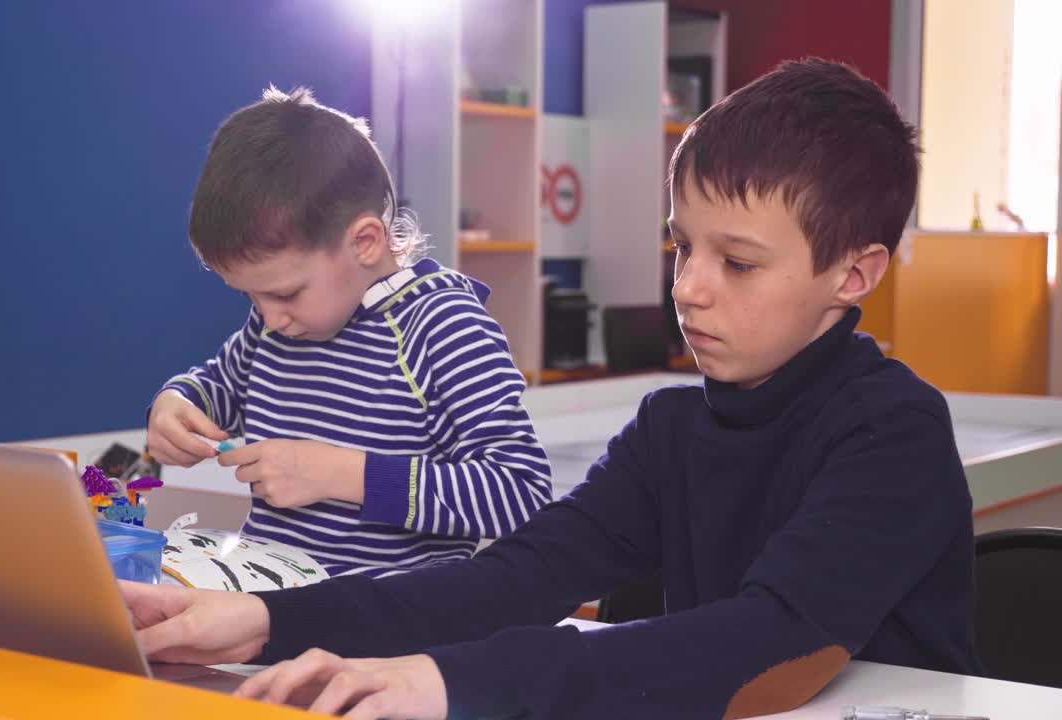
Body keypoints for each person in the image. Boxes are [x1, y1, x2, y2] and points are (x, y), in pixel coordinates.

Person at [122, 59, 981, 719]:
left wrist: (450, 679)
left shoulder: (892, 431)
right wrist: (266, 620)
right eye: (683, 247)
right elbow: (517, 577)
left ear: (854, 273)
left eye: (739, 262)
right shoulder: (672, 427)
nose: (689, 287)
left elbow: (772, 644)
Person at [145, 86, 553, 578]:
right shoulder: (278, 327)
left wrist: (342, 474)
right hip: (275, 611)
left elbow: (520, 493)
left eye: (287, 293)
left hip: (392, 627)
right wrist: (175, 405)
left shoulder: (442, 327)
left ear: (364, 241)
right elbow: (216, 388)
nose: (269, 318)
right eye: (249, 296)